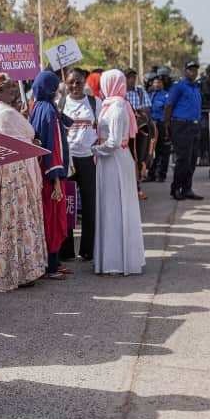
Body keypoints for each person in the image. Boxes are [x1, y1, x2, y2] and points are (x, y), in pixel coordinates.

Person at [0, 74, 47, 289]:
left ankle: (14, 268)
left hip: (7, 168)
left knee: (7, 219)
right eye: (8, 88)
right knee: (16, 218)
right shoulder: (3, 112)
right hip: (12, 170)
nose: (13, 91)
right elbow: (29, 131)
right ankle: (18, 270)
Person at [93, 70, 146, 275]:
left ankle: (115, 261)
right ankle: (115, 258)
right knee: (113, 208)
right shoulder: (116, 104)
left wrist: (95, 149)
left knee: (113, 209)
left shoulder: (115, 107)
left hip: (112, 160)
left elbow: (114, 142)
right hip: (114, 160)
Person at [29, 71, 72, 280]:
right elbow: (52, 148)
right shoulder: (48, 111)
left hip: (42, 172)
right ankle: (51, 266)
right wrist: (56, 180)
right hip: (51, 176)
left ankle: (51, 263)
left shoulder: (38, 107)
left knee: (47, 219)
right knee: (53, 220)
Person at [60, 69, 99, 262]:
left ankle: (88, 249)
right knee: (67, 205)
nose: (75, 86)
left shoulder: (94, 102)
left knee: (90, 204)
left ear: (85, 82)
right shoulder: (60, 103)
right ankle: (66, 250)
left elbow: (102, 128)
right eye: (71, 82)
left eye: (79, 82)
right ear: (65, 83)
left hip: (88, 159)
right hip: (67, 159)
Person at [164, 61, 204, 200]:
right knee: (183, 160)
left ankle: (187, 189)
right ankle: (175, 189)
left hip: (194, 126)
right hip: (181, 126)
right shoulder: (179, 86)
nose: (193, 72)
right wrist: (167, 125)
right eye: (190, 70)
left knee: (192, 160)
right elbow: (168, 106)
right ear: (185, 71)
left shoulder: (196, 87)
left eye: (195, 70)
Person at [126, 69, 154, 195]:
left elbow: (147, 109)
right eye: (128, 77)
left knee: (139, 157)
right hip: (125, 131)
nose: (131, 79)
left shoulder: (140, 91)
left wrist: (136, 112)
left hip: (139, 130)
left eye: (133, 76)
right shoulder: (118, 92)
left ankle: (137, 185)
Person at [148, 75, 173, 181]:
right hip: (151, 125)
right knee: (152, 150)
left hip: (162, 125)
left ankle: (162, 174)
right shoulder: (149, 95)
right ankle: (151, 174)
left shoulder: (166, 95)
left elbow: (169, 111)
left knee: (163, 151)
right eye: (155, 82)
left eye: (159, 83)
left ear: (162, 84)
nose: (157, 84)